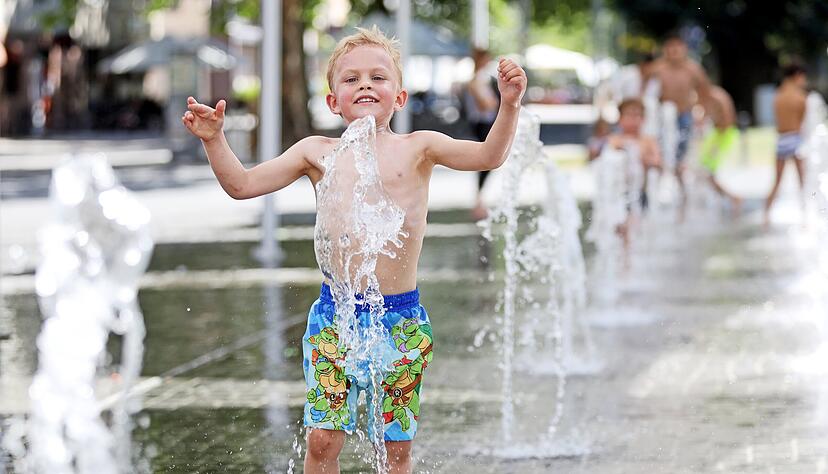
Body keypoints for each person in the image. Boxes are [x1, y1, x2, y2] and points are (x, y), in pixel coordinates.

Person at [182, 26, 527, 474]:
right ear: (332, 101)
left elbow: (488, 157)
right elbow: (243, 185)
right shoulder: (316, 152)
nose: (365, 84)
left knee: (395, 450)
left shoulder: (419, 147)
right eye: (351, 79)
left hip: (400, 321)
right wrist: (215, 140)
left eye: (378, 77)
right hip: (335, 318)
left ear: (399, 97)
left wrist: (510, 105)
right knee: (323, 441)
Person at [652, 31, 712, 216]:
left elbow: (706, 92)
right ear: (665, 50)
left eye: (677, 48)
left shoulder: (693, 69)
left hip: (684, 115)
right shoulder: (658, 68)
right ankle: (658, 196)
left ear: (684, 49)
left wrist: (702, 113)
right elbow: (645, 92)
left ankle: (684, 196)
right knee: (658, 155)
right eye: (670, 48)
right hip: (662, 117)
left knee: (680, 158)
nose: (673, 52)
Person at [602, 98, 661, 267]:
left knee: (632, 229)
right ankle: (621, 264)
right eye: (629, 115)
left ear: (644, 119)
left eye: (637, 116)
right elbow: (605, 161)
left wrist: (644, 159)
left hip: (639, 195)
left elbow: (657, 162)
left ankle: (630, 266)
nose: (633, 120)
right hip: (619, 193)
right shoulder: (615, 140)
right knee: (619, 230)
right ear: (620, 119)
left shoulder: (648, 141)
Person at [764, 63, 808, 228]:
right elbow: (803, 122)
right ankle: (806, 216)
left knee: (777, 181)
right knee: (803, 181)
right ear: (797, 75)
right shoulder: (800, 96)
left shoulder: (778, 95)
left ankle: (766, 215)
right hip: (795, 139)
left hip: (782, 139)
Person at [463, 48, 500, 220]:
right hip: (482, 124)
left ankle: (480, 199)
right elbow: (487, 105)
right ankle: (479, 200)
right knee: (487, 160)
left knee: (488, 163)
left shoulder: (482, 79)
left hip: (484, 123)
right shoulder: (476, 81)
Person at [699, 85, 742, 214]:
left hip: (723, 135)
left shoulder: (716, 97)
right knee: (704, 171)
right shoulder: (713, 96)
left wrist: (716, 146)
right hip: (718, 134)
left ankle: (735, 198)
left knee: (707, 172)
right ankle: (728, 200)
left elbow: (727, 119)